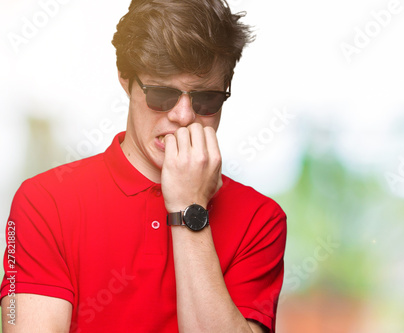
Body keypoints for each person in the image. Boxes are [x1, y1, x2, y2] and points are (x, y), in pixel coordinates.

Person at [0, 0, 287, 332]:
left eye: (205, 98)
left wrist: (189, 208)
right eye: (162, 94)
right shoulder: (44, 202)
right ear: (125, 79)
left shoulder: (260, 219)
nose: (183, 115)